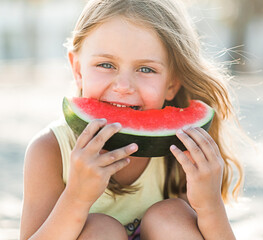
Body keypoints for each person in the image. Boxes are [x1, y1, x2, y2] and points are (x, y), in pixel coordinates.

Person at [20, 0, 244, 239]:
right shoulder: (51, 150)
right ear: (77, 70)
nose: (124, 87)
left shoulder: (184, 152)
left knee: (170, 216)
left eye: (146, 69)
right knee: (100, 230)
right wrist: (76, 198)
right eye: (106, 65)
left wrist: (210, 205)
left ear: (172, 83)